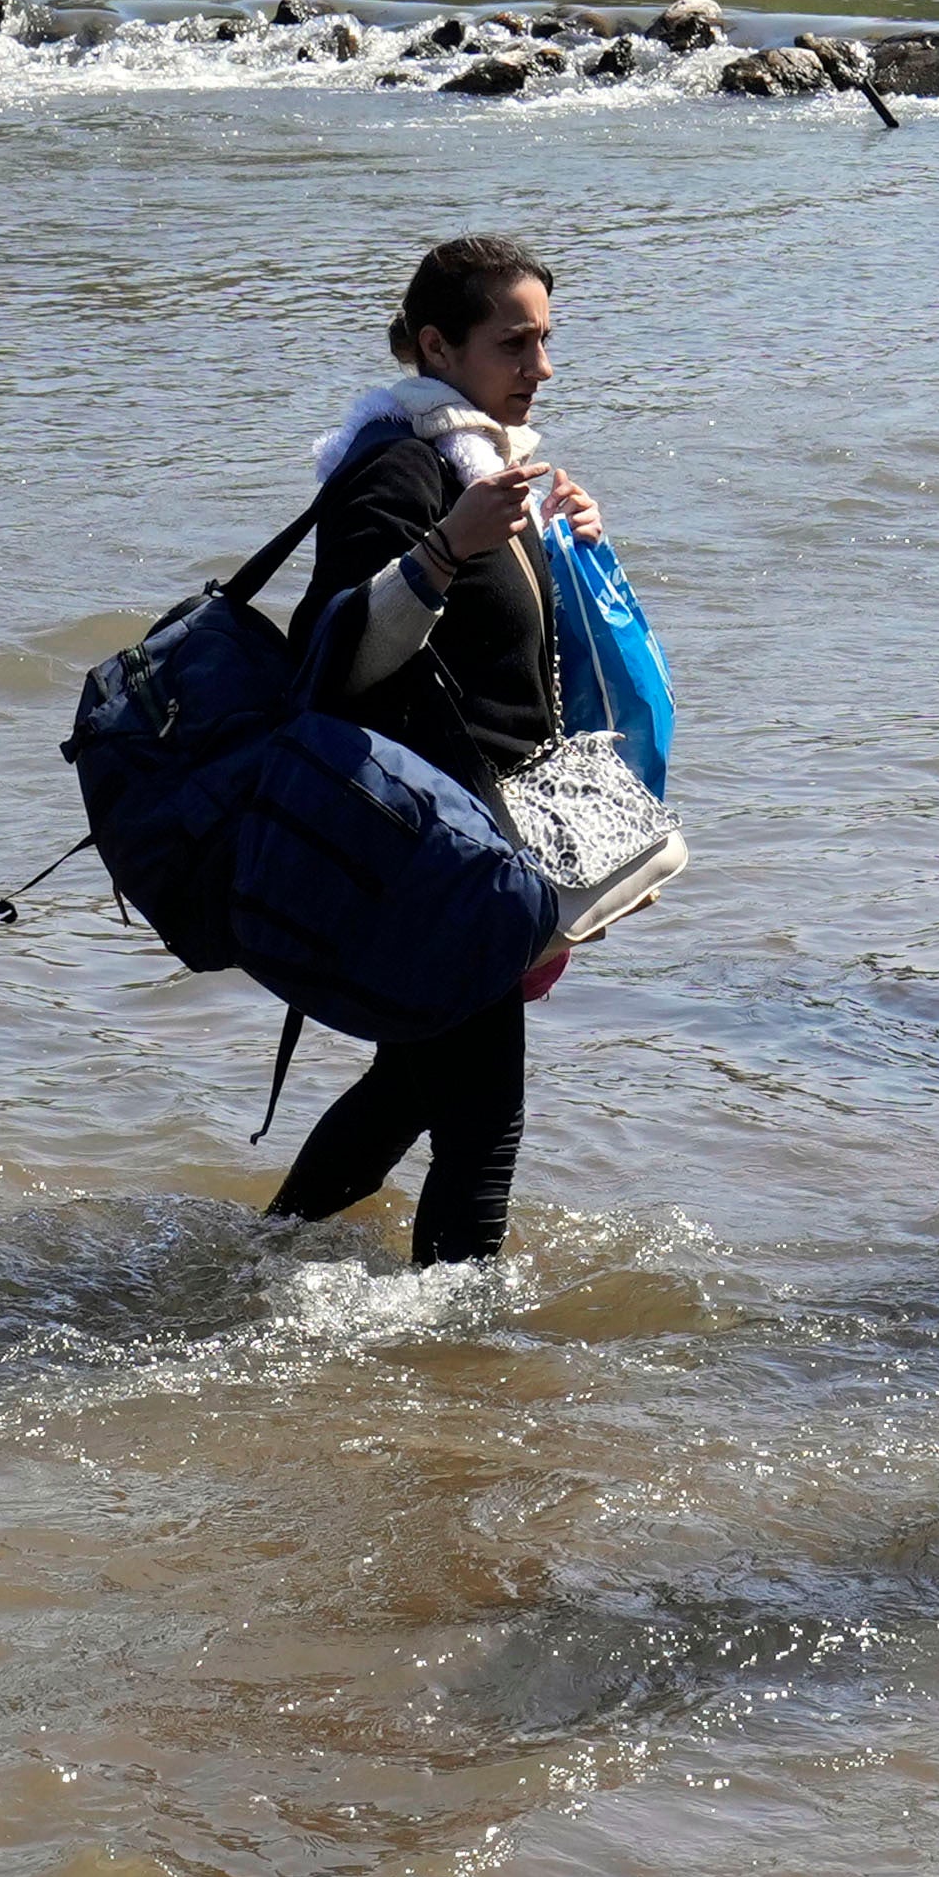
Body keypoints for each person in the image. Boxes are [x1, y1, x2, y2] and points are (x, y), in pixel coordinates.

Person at [269, 229, 595, 1266]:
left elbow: (518, 652)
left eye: (546, 340)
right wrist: (448, 546)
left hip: (478, 841)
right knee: (483, 1127)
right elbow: (337, 657)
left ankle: (260, 1260)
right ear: (436, 347)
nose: (541, 367)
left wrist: (572, 544)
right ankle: (461, 1348)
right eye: (515, 343)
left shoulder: (483, 463)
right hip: (434, 857)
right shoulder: (397, 467)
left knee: (408, 1087)